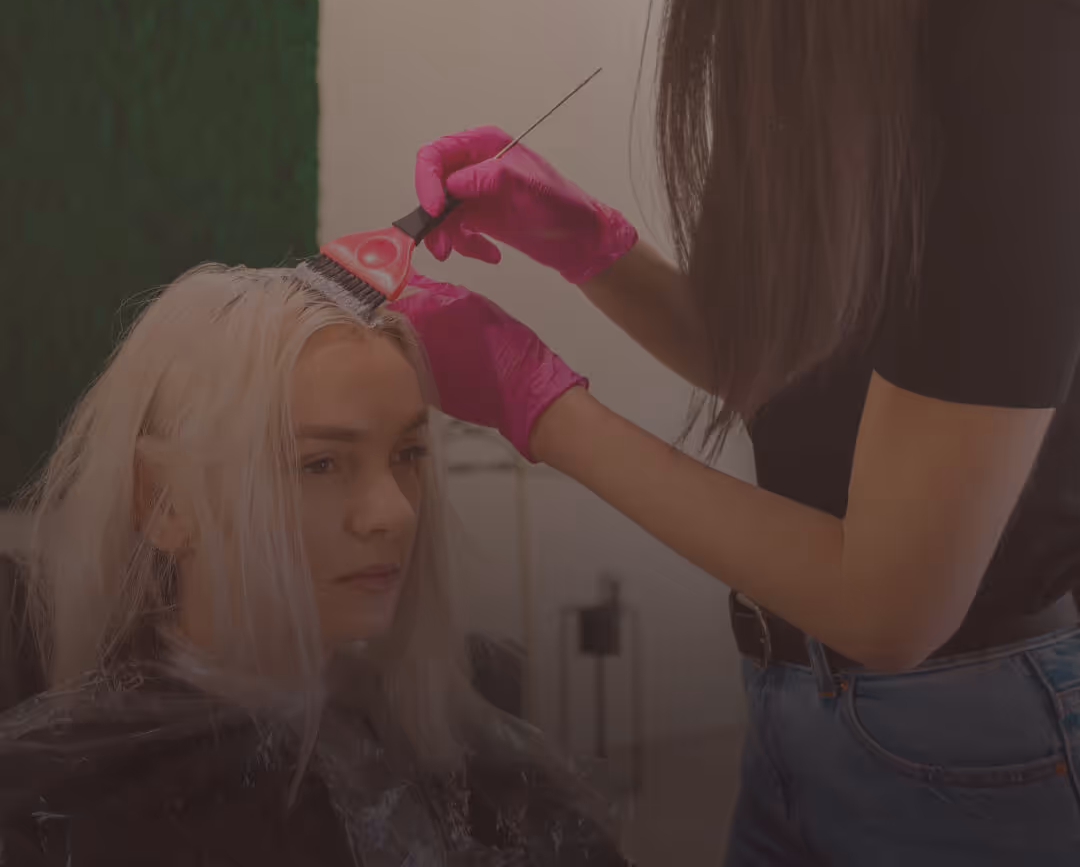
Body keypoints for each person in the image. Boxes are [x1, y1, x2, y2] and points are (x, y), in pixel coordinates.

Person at [392, 0, 1080, 863]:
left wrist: (534, 405)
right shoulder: (835, 43)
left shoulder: (1023, 48)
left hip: (966, 742)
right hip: (794, 714)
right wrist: (587, 245)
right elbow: (790, 368)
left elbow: (888, 602)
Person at [0, 264, 628, 866]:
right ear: (163, 502)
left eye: (408, 452)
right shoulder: (59, 812)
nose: (395, 513)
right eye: (320, 464)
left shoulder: (469, 751)